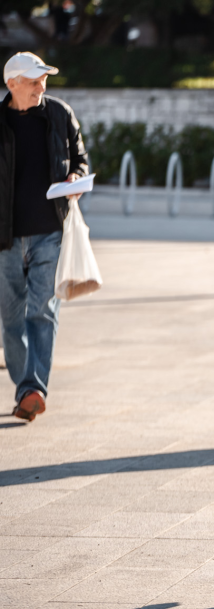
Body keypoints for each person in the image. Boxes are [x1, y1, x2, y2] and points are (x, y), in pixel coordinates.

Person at [1, 52, 89, 422]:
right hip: (4, 238)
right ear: (12, 84)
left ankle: (33, 388)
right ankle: (25, 387)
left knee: (43, 310)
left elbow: (81, 159)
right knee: (11, 316)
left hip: (49, 232)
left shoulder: (59, 114)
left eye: (44, 80)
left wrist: (76, 179)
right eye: (34, 80)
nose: (41, 86)